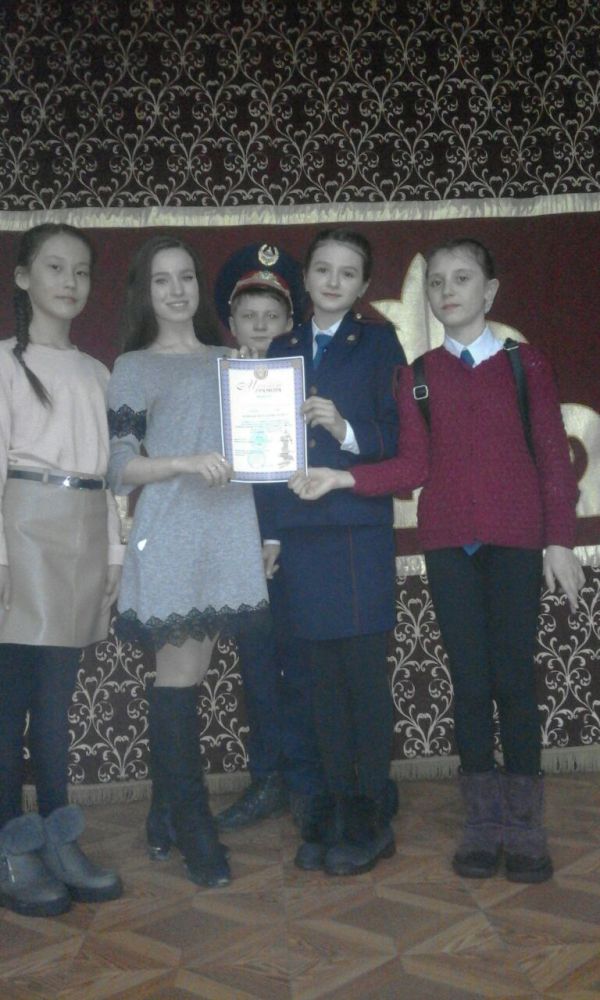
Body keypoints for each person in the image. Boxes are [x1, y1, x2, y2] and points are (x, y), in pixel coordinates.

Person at [290, 236, 584, 884]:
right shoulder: (417, 374)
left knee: (514, 683)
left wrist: (559, 539)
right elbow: (412, 467)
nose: (448, 291)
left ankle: (524, 825)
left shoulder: (525, 363)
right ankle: (481, 823)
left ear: (490, 291)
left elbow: (552, 455)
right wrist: (343, 478)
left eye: (462, 278)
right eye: (438, 282)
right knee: (470, 686)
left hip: (516, 543)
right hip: (449, 546)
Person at [107, 235, 269, 888]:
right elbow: (119, 469)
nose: (176, 290)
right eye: (162, 280)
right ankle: (195, 827)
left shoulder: (233, 359)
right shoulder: (133, 365)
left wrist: (269, 389)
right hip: (171, 531)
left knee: (191, 674)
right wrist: (182, 462)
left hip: (227, 531)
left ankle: (162, 813)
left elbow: (263, 448)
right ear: (145, 292)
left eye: (186, 277)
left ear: (200, 286)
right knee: (177, 678)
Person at [263, 228, 406, 876]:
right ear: (306, 276)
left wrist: (343, 427)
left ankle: (370, 813)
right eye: (323, 269)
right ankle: (332, 805)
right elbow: (267, 455)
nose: (332, 281)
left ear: (363, 285)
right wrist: (271, 531)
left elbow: (396, 438)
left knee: (362, 680)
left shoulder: (379, 343)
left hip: (356, 529)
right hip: (301, 533)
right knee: (318, 682)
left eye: (348, 273)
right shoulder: (281, 348)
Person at [0, 223, 124, 918]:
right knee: (7, 703)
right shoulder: (3, 364)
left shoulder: (99, 373)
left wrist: (113, 555)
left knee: (54, 705)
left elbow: (109, 478)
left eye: (80, 270)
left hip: (82, 533)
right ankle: (9, 845)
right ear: (23, 277)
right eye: (54, 267)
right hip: (22, 532)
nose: (69, 282)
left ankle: (57, 835)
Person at [213, 247, 326, 831]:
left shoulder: (306, 382)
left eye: (273, 317)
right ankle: (266, 780)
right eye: (249, 316)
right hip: (237, 547)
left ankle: (307, 782)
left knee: (302, 669)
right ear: (231, 323)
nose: (261, 327)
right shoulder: (214, 382)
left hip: (299, 549)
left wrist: (278, 535)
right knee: (256, 670)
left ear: (291, 323)